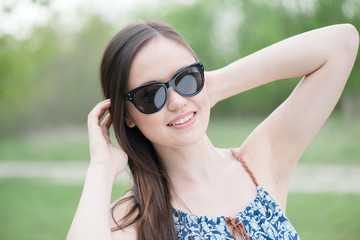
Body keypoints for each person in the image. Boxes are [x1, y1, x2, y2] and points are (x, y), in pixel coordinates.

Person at [66, 20, 358, 240]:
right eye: (150, 94)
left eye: (186, 77)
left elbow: (341, 43)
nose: (177, 101)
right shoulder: (135, 218)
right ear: (127, 115)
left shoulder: (260, 162)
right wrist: (102, 169)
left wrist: (214, 87)